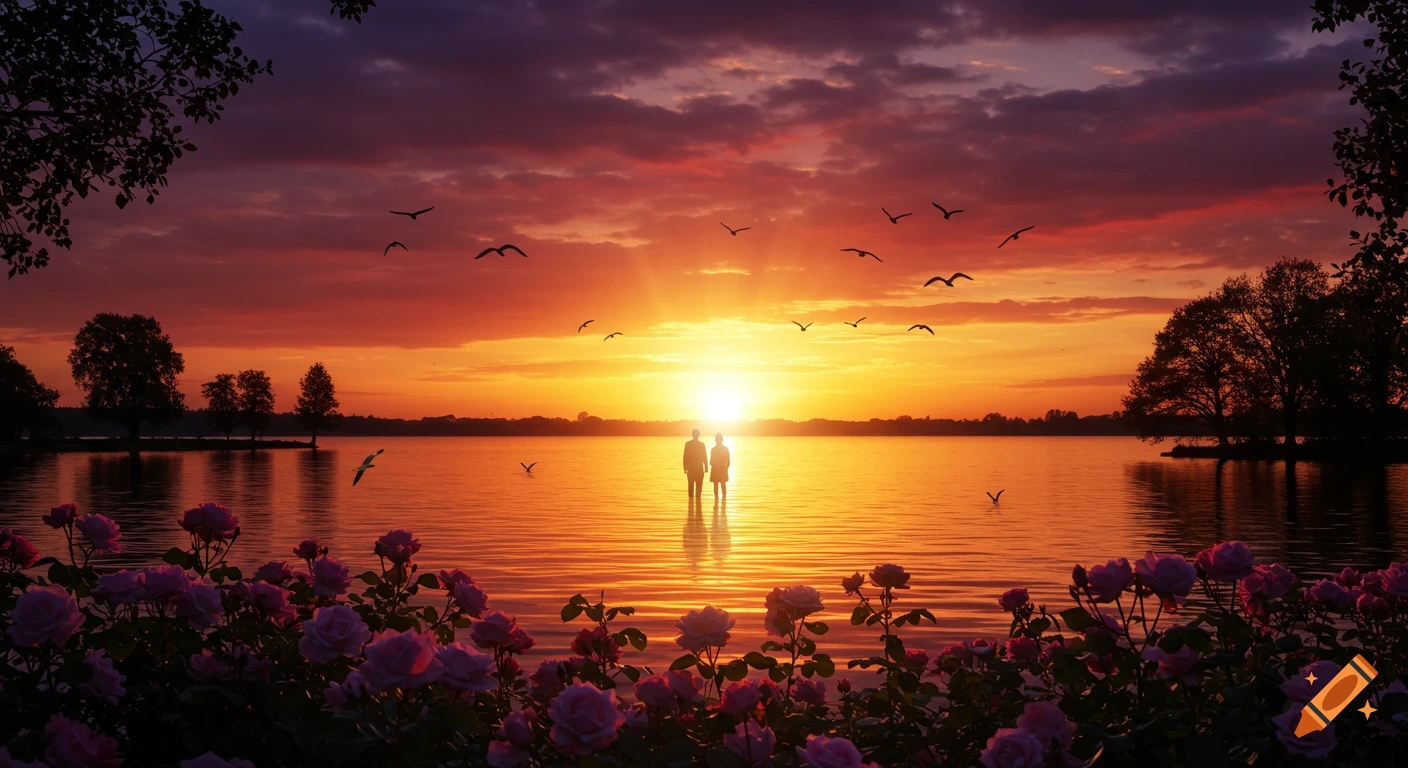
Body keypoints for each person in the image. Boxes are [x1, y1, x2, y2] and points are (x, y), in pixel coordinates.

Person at [683, 428, 708, 499]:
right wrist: (706, 467)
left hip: (691, 469)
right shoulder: (701, 445)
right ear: (699, 435)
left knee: (691, 487)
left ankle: (691, 506)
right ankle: (698, 506)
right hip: (698, 469)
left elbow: (685, 457)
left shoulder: (688, 444)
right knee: (698, 489)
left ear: (692, 435)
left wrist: (685, 467)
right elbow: (705, 457)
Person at [710, 433, 730, 500]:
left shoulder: (713, 449)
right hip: (723, 469)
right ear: (722, 440)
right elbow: (728, 461)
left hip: (716, 469)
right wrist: (726, 468)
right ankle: (724, 503)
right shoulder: (725, 449)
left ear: (715, 440)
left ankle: (716, 502)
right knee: (723, 486)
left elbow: (711, 462)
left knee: (716, 486)